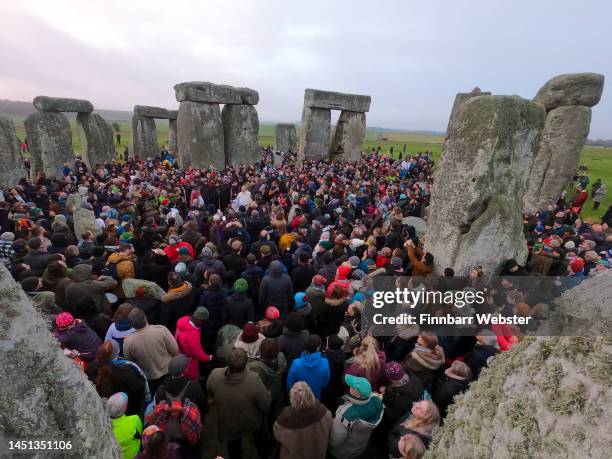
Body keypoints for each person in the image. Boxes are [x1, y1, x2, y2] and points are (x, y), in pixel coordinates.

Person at [206, 348, 271, 459]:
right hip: (251, 421)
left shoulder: (214, 374)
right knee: (260, 441)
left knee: (234, 449)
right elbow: (265, 405)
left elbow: (210, 391)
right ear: (246, 362)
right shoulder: (254, 379)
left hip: (228, 423)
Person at [123, 308, 179, 394]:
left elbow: (130, 362)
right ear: (145, 318)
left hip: (149, 378)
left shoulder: (128, 341)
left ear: (132, 325)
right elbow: (175, 350)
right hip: (168, 372)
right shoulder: (161, 330)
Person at [273, 381, 333, 459]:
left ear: (292, 398)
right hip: (318, 454)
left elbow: (277, 436)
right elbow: (330, 429)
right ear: (311, 394)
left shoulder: (284, 419)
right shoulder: (325, 412)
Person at [329, 375, 384, 459]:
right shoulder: (377, 401)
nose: (349, 386)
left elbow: (336, 437)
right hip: (359, 445)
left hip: (343, 451)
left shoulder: (347, 414)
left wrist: (328, 445)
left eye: (351, 386)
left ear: (358, 395)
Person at [286, 334, 330, 400]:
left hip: (298, 400)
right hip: (315, 398)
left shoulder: (296, 363)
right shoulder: (325, 362)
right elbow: (324, 384)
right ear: (318, 347)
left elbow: (290, 384)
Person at [174, 307, 213, 381]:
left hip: (179, 353)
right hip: (189, 359)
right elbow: (198, 353)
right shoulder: (193, 334)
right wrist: (208, 358)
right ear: (200, 321)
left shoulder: (183, 320)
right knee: (192, 377)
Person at [107, 392, 143, 459]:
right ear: (125, 407)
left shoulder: (103, 423)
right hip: (132, 455)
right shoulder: (134, 420)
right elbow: (140, 433)